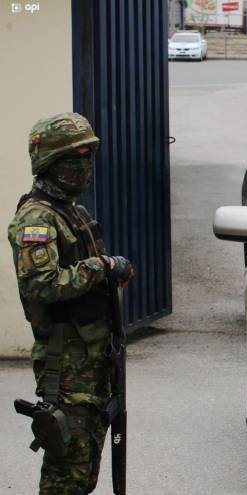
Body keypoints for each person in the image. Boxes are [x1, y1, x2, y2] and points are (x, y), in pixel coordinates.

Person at [8, 112, 134, 493]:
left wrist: (113, 276)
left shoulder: (73, 212)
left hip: (94, 359)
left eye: (86, 160)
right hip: (66, 366)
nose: (82, 170)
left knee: (85, 469)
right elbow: (40, 285)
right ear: (48, 164)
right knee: (67, 473)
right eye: (71, 162)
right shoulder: (37, 217)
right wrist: (102, 267)